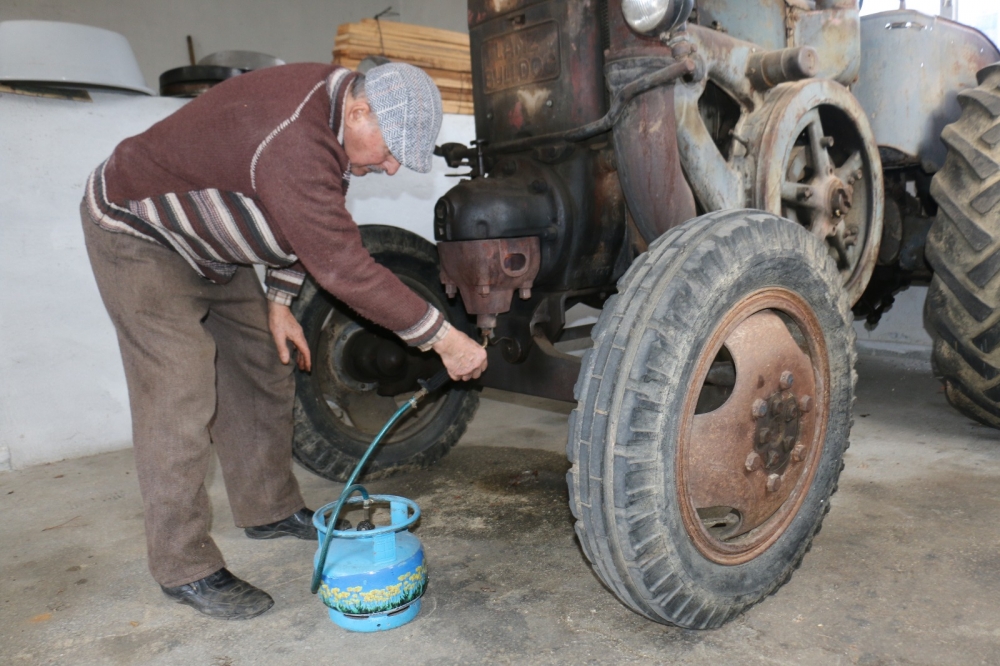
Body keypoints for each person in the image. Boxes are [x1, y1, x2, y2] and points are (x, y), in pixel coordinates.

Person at [81, 62, 488, 620]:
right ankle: (184, 566)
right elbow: (343, 266)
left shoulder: (331, 122)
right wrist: (443, 339)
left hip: (210, 247)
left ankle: (268, 509)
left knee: (262, 366)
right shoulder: (296, 138)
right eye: (393, 151)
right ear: (361, 110)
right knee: (179, 391)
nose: (391, 167)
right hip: (140, 233)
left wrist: (278, 301)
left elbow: (301, 220)